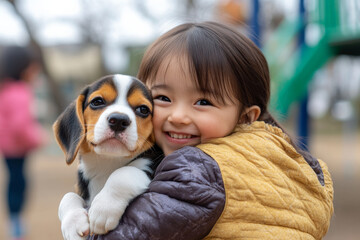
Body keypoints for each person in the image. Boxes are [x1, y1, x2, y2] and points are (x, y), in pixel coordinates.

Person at [88, 21, 333, 240]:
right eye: (162, 97)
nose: (179, 116)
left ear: (246, 117)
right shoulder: (283, 161)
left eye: (203, 102)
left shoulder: (199, 171)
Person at [0, 46, 46, 240]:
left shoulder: (5, 88)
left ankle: (15, 221)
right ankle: (16, 223)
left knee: (14, 180)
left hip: (7, 146)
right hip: (16, 148)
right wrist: (38, 138)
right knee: (19, 182)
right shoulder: (20, 91)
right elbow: (20, 126)